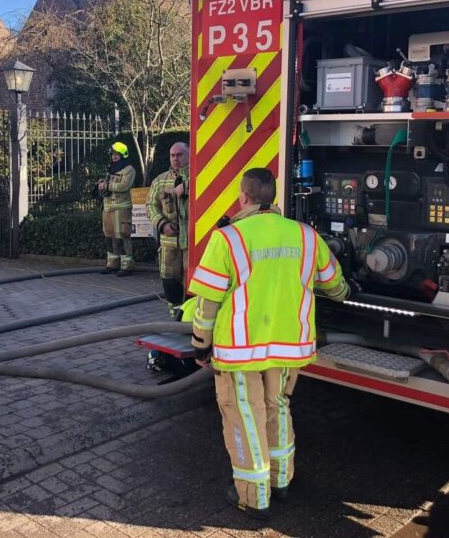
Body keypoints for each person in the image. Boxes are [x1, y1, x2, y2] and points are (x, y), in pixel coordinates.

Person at [187, 168, 350, 520]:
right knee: (278, 407)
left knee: (245, 414)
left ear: (243, 198)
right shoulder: (305, 236)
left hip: (240, 351)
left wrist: (200, 345)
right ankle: (282, 480)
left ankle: (254, 495)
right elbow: (334, 283)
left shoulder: (227, 239)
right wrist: (348, 294)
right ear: (273, 199)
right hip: (289, 347)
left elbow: (207, 303)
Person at [146, 141, 190, 309]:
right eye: (172, 156)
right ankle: (175, 318)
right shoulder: (159, 181)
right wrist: (162, 224)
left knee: (192, 282)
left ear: (189, 155)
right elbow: (150, 205)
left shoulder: (199, 176)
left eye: (179, 155)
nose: (175, 159)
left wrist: (187, 187)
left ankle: (190, 318)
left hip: (192, 243)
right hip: (169, 243)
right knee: (170, 282)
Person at [99, 142, 136, 277]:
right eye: (113, 155)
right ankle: (112, 264)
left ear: (123, 155)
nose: (114, 157)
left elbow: (124, 186)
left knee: (122, 235)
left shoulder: (129, 170)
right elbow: (106, 183)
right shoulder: (110, 169)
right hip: (108, 207)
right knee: (109, 236)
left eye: (117, 155)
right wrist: (100, 186)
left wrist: (107, 186)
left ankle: (127, 266)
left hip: (122, 208)